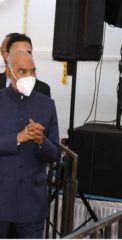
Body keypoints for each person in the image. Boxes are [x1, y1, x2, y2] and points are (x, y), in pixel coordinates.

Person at [0, 49, 60, 238]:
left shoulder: (47, 105)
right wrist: (19, 137)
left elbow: (55, 155)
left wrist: (41, 141)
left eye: (32, 71)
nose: (29, 76)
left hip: (32, 206)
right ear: (9, 73)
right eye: (22, 71)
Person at [0, 33, 51, 97]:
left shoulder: (43, 89)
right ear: (7, 56)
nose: (25, 56)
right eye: (19, 52)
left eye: (28, 52)